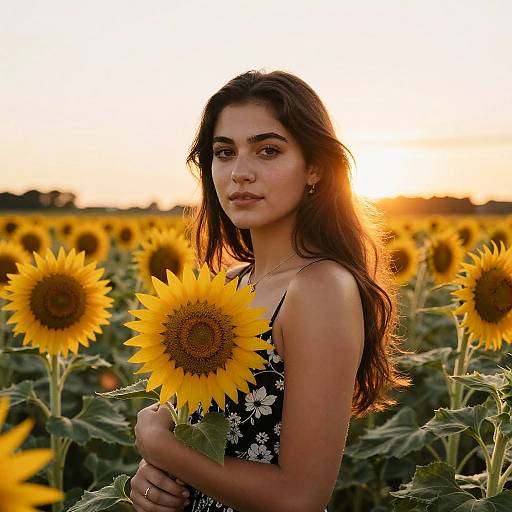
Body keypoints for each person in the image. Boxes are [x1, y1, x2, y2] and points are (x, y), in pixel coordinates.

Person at [129, 69, 409, 512]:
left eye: (267, 150)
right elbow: (201, 438)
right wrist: (154, 482)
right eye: (224, 153)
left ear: (314, 167)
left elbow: (300, 497)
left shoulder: (319, 288)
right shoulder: (227, 285)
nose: (240, 172)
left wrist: (161, 449)